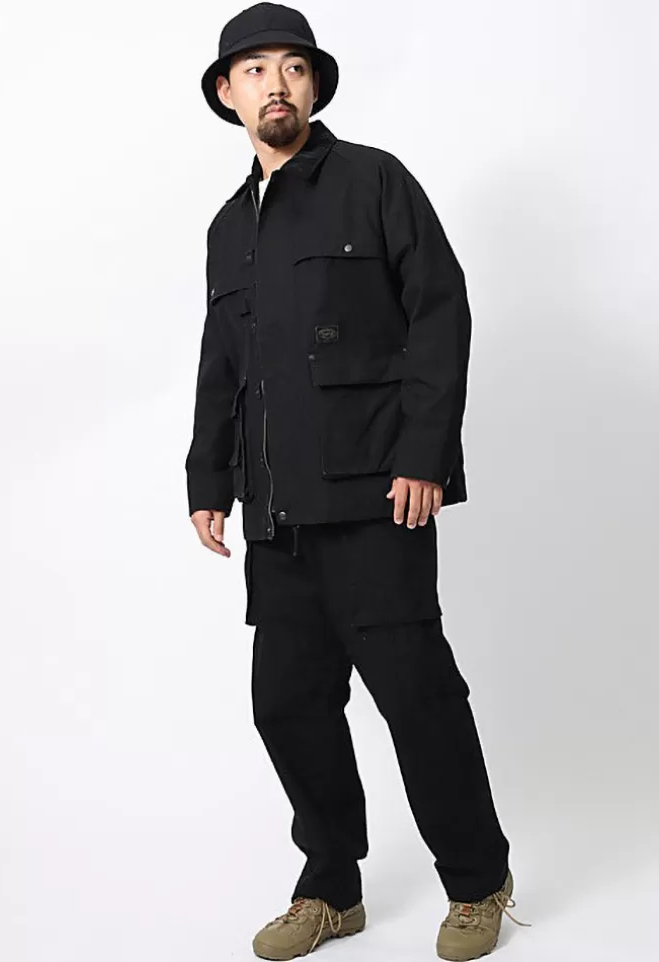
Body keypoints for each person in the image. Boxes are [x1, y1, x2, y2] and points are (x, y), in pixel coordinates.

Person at [186, 4, 531, 959]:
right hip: (277, 512)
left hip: (378, 496)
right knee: (287, 706)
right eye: (256, 69)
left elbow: (440, 313)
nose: (277, 83)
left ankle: (478, 881)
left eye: (294, 67)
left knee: (416, 697)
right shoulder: (227, 228)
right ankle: (331, 887)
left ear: (314, 87)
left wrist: (425, 455)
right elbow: (222, 362)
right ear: (227, 93)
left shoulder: (375, 181)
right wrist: (208, 477)